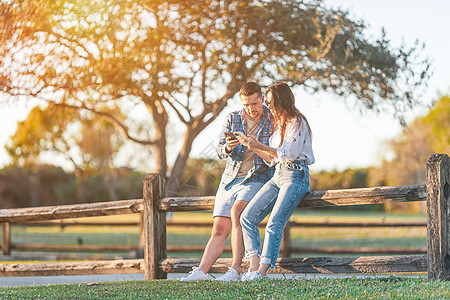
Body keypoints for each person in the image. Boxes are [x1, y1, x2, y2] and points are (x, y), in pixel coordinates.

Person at [181, 82, 274, 281]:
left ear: (262, 99)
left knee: (238, 212)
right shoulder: (233, 118)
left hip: (256, 178)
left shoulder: (272, 119)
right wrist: (229, 148)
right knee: (219, 229)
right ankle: (201, 272)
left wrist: (254, 144)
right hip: (229, 180)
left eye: (255, 103)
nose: (251, 108)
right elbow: (219, 150)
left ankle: (235, 270)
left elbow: (275, 153)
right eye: (247, 105)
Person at [239, 82, 315, 281]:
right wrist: (251, 146)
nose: (269, 106)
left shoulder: (297, 122)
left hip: (296, 175)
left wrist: (260, 144)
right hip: (278, 175)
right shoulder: (278, 124)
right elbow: (272, 159)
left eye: (272, 102)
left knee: (274, 223)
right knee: (247, 217)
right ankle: (253, 266)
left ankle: (261, 273)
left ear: (282, 100)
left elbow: (290, 153)